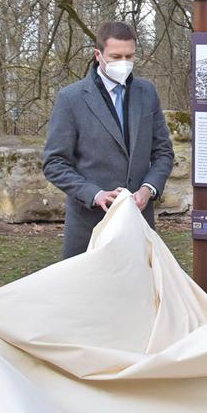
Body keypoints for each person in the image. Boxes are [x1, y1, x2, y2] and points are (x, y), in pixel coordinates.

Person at [43, 21, 175, 258]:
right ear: (98, 55)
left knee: (136, 294)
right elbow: (54, 163)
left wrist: (149, 188)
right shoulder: (71, 99)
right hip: (89, 227)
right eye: (115, 56)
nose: (124, 63)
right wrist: (95, 194)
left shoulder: (147, 93)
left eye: (129, 56)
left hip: (138, 225)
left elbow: (163, 152)